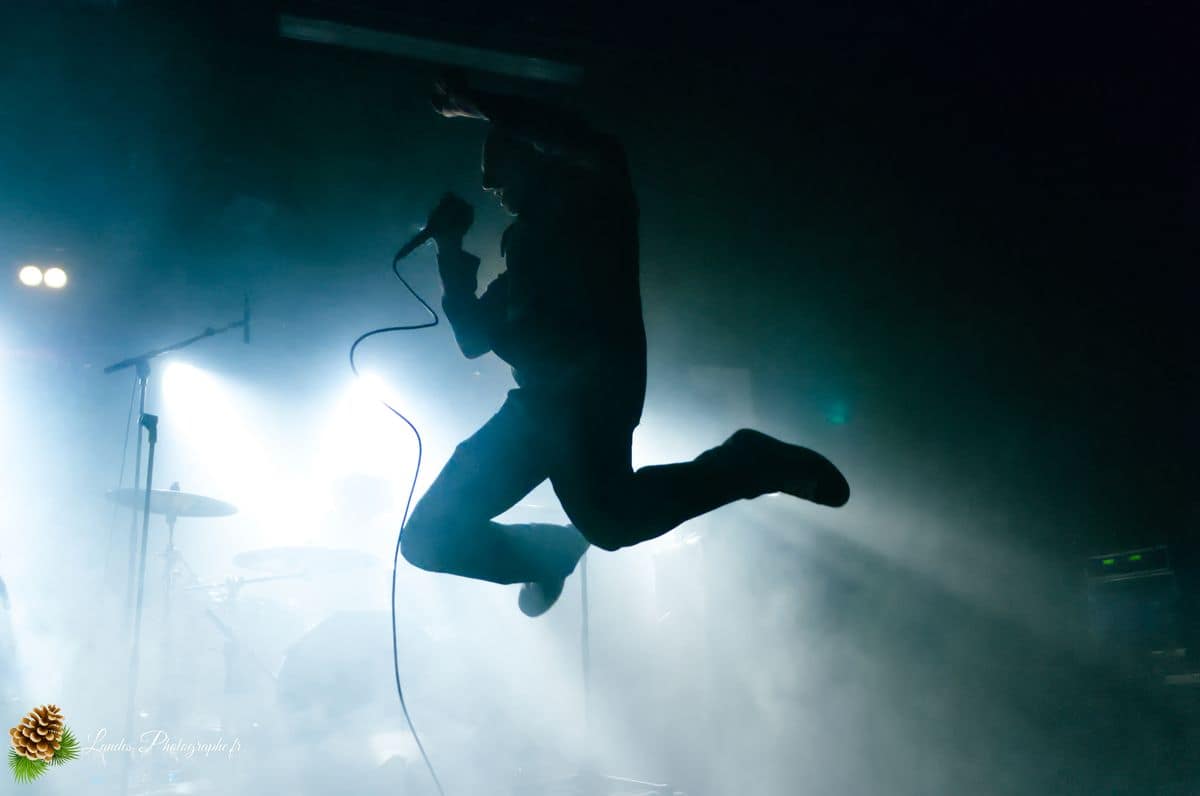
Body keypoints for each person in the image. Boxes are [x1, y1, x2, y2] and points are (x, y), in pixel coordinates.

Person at [401, 74, 850, 617]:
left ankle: (746, 464)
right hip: (538, 409)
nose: (489, 183)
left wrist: (478, 104)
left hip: (591, 399)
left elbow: (577, 136)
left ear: (539, 157)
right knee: (428, 539)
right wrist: (450, 249)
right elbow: (473, 340)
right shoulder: (521, 250)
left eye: (500, 165)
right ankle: (549, 553)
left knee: (613, 523)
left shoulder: (598, 200)